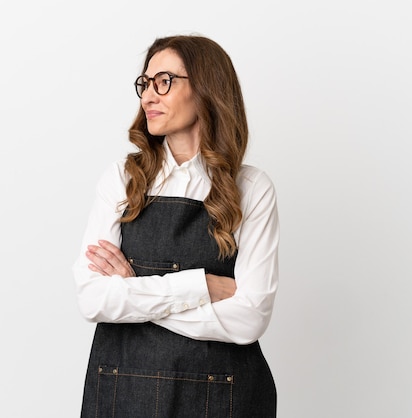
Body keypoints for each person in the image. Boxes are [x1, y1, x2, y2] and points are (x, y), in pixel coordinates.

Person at [73, 34, 280, 417]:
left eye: (164, 82)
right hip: (124, 391)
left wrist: (132, 291)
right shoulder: (122, 179)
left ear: (206, 89)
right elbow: (93, 299)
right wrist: (198, 287)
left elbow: (249, 318)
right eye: (145, 84)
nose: (148, 96)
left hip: (224, 397)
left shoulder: (251, 188)